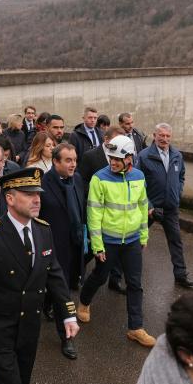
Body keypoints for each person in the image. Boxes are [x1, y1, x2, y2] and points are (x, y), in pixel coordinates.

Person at [0, 167, 79, 384]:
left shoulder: (43, 230)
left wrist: (67, 313)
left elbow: (54, 274)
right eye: (28, 194)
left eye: (37, 193)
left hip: (29, 325)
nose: (36, 199)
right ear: (10, 198)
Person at [77, 135, 155, 348]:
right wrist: (97, 245)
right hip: (108, 241)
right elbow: (93, 214)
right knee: (100, 276)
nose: (112, 162)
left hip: (131, 241)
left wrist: (143, 235)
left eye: (117, 159)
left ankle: (135, 328)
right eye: (111, 158)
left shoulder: (139, 176)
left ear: (130, 159)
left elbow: (141, 207)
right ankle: (83, 302)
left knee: (135, 283)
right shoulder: (99, 179)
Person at [135, 123, 193, 289]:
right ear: (154, 136)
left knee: (176, 241)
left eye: (167, 136)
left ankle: (181, 275)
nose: (164, 139)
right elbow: (137, 183)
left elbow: (181, 176)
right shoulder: (144, 156)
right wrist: (147, 205)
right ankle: (123, 274)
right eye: (161, 135)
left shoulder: (177, 155)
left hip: (170, 208)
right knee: (136, 241)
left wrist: (178, 192)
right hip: (150, 208)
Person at [39, 143, 85, 360]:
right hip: (53, 247)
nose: (73, 164)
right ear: (55, 162)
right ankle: (66, 337)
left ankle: (47, 302)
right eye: (68, 160)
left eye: (75, 160)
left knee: (61, 287)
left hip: (75, 244)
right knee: (63, 290)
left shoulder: (77, 180)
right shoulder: (42, 185)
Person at [78, 125, 127, 293]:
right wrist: (96, 196)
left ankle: (115, 280)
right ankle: (78, 272)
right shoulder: (90, 156)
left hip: (117, 216)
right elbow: (82, 182)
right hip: (96, 211)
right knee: (95, 249)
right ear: (106, 140)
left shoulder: (126, 160)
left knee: (119, 250)